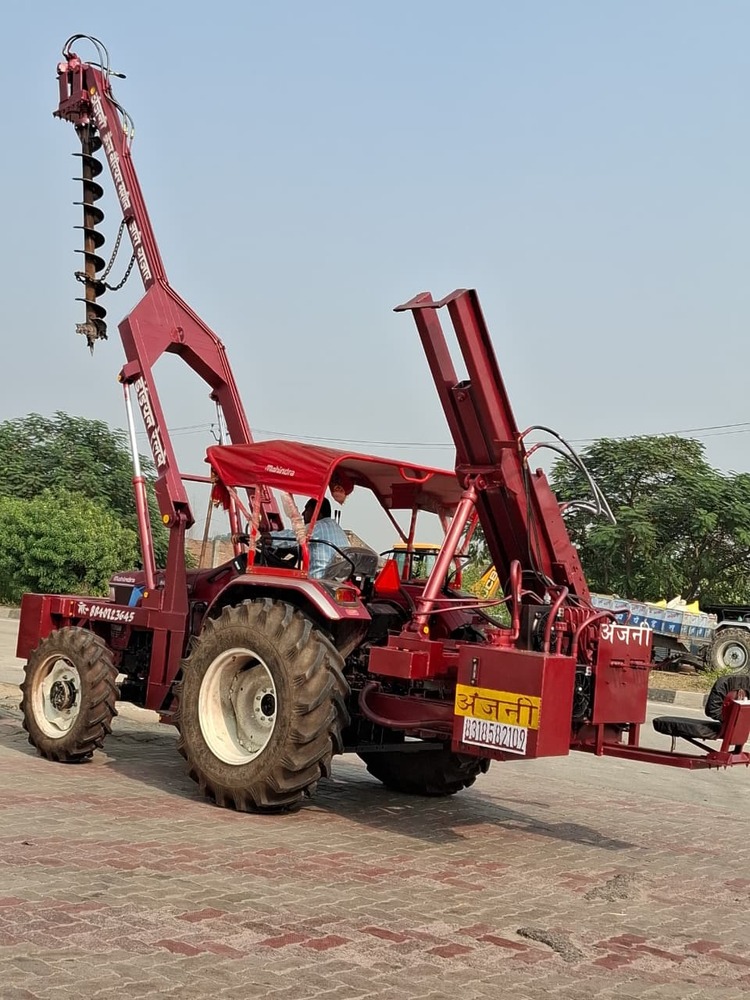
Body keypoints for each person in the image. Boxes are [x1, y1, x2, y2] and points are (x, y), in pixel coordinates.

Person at [242, 498, 349, 579]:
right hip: (335, 577)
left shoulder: (317, 527)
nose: (302, 514)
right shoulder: (337, 528)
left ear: (317, 513)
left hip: (318, 578)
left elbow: (292, 536)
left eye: (306, 509)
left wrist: (263, 537)